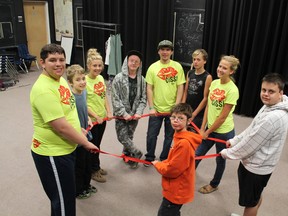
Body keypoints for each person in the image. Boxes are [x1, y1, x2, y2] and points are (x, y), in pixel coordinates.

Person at [30, 44, 98, 216]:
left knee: (66, 197)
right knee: (63, 203)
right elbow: (60, 126)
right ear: (42, 63)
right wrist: (85, 142)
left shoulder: (60, 80)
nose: (58, 64)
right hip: (52, 154)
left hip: (67, 148)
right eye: (52, 60)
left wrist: (78, 129)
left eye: (61, 59)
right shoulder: (43, 90)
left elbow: (68, 108)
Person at [220, 73, 288, 216]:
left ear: (281, 93)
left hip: (256, 168)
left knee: (250, 203)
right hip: (260, 165)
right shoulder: (270, 106)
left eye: (271, 91)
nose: (266, 94)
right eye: (264, 90)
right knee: (255, 197)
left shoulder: (273, 117)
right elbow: (252, 129)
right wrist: (235, 140)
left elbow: (250, 144)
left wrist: (228, 153)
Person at [195, 55, 240, 194]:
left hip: (224, 132)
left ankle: (214, 184)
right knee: (197, 154)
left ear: (231, 71)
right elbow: (208, 106)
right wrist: (203, 128)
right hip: (209, 128)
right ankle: (187, 175)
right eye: (220, 66)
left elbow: (222, 117)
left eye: (224, 68)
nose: (220, 69)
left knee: (220, 160)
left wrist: (207, 133)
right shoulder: (214, 83)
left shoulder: (232, 90)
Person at [152, 103, 202, 216]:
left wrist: (158, 164)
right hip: (176, 186)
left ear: (188, 121)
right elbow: (174, 160)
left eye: (180, 118)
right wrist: (163, 162)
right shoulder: (178, 136)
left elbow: (172, 170)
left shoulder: (184, 143)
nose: (175, 120)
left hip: (177, 190)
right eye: (173, 117)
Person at [144, 40, 186, 165]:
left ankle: (164, 158)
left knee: (169, 136)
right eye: (162, 49)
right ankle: (149, 157)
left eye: (168, 49)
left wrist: (177, 107)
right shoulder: (152, 67)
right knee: (152, 135)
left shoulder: (177, 66)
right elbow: (149, 88)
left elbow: (180, 87)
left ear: (171, 52)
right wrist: (151, 107)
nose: (165, 52)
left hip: (172, 110)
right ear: (158, 51)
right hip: (156, 109)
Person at [111, 50, 147, 169]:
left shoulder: (141, 79)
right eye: (131, 60)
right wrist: (123, 113)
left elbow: (143, 98)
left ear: (139, 64)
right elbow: (115, 98)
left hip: (134, 115)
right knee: (121, 136)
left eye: (136, 62)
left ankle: (128, 155)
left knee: (129, 136)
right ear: (127, 62)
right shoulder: (118, 78)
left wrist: (138, 112)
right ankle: (136, 152)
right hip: (121, 115)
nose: (133, 63)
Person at [66, 64, 97, 199]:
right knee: (79, 165)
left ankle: (86, 185)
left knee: (87, 163)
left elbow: (84, 108)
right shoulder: (69, 97)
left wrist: (89, 118)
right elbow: (66, 118)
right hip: (77, 137)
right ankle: (78, 190)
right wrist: (77, 129)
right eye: (78, 80)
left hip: (86, 134)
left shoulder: (84, 92)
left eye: (83, 78)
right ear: (70, 82)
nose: (82, 82)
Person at [86, 48, 113, 183]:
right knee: (93, 145)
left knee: (98, 144)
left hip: (102, 119)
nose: (97, 68)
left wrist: (108, 111)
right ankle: (93, 171)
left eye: (99, 65)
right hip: (92, 121)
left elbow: (104, 97)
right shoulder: (84, 81)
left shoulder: (101, 78)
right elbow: (84, 104)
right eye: (94, 66)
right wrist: (96, 116)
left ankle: (96, 166)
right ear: (88, 66)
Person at [182, 49, 212, 129]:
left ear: (204, 61)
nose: (195, 62)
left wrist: (194, 114)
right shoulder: (190, 73)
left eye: (198, 60)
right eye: (194, 59)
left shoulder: (207, 77)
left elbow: (205, 98)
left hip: (198, 113)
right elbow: (185, 92)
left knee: (193, 135)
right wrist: (182, 107)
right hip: (187, 109)